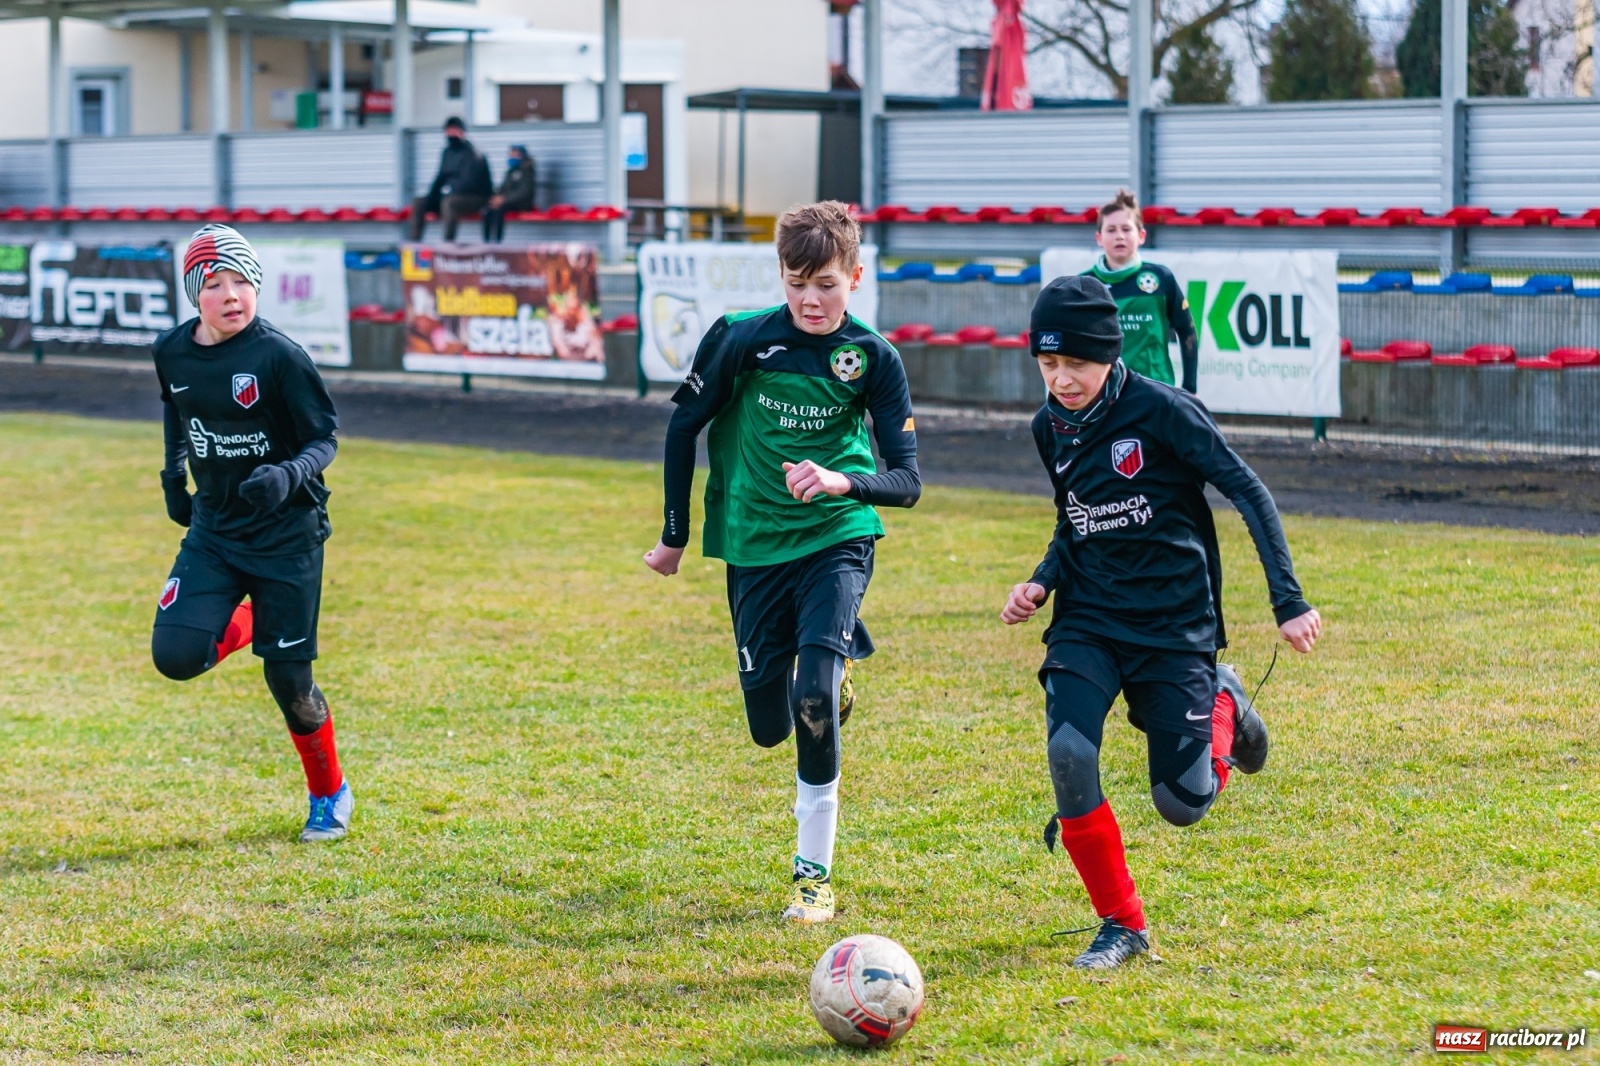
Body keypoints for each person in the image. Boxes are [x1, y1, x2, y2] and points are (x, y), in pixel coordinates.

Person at [1000, 275, 1322, 970]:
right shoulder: (1046, 424)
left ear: (1110, 354)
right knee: (1070, 757)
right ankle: (1123, 925)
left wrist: (1288, 601)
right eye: (1048, 365)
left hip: (1175, 626)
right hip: (1087, 618)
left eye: (1075, 365)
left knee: (1182, 804)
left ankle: (1223, 698)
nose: (1060, 380)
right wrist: (1042, 580)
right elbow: (1074, 517)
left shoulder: (1166, 411)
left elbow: (1249, 490)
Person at [642, 201, 921, 925]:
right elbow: (683, 428)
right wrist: (674, 536)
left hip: (837, 534)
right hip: (754, 548)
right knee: (770, 725)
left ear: (855, 277)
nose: (810, 299)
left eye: (826, 283)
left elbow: (908, 480)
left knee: (812, 696)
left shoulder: (874, 358)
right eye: (797, 282)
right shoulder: (741, 341)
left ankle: (812, 878)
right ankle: (829, 667)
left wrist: (841, 482)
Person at [151, 223, 351, 843]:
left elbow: (327, 438)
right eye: (216, 283)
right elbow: (175, 410)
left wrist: (289, 473)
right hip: (213, 532)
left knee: (289, 683)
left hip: (288, 538)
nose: (232, 294)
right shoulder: (171, 351)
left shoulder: (280, 356)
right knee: (176, 657)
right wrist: (172, 476)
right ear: (194, 293)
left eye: (242, 280)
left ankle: (329, 794)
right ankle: (256, 622)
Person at [1084, 188, 1200, 393]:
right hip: (1105, 395)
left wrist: (1190, 388)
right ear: (1099, 238)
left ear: (1142, 235)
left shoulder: (1161, 279)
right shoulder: (1085, 285)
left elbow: (1187, 331)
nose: (1119, 236)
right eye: (1111, 230)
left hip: (1157, 390)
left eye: (1126, 229)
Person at [407, 116, 493, 243]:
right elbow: (440, 177)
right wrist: (431, 197)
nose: (451, 134)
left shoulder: (473, 153)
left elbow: (469, 182)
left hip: (475, 197)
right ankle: (414, 244)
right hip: (452, 195)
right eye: (448, 131)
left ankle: (448, 245)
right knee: (419, 203)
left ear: (462, 132)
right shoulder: (447, 152)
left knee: (448, 203)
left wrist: (448, 192)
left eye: (454, 130)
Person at [482, 144, 537, 243]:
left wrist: (504, 200)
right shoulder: (510, 172)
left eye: (515, 155)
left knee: (499, 210)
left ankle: (497, 242)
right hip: (507, 201)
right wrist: (495, 197)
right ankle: (487, 241)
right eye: (511, 155)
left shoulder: (527, 172)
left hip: (521, 204)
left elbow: (524, 192)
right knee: (489, 209)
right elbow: (503, 188)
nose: (512, 157)